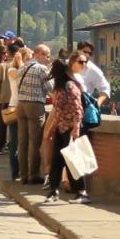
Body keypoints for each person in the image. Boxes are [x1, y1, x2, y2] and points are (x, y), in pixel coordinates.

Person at [43, 58, 92, 204]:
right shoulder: (59, 88)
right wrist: (51, 129)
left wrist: (76, 128)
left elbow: (78, 109)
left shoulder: (70, 86)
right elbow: (58, 110)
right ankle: (53, 190)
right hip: (61, 127)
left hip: (71, 128)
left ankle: (82, 192)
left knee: (73, 161)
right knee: (56, 160)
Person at [16, 44, 52, 185]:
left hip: (21, 105)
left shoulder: (23, 67)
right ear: (39, 54)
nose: (48, 59)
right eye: (47, 55)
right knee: (35, 141)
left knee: (22, 142)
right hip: (35, 106)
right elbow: (52, 89)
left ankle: (23, 175)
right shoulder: (41, 69)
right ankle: (33, 175)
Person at [5, 47, 29, 181]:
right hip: (15, 107)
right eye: (28, 58)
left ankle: (24, 170)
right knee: (15, 140)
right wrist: (20, 63)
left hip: (25, 106)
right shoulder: (12, 70)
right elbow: (22, 79)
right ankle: (15, 172)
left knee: (25, 140)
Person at [75, 41, 112, 109]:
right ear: (78, 51)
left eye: (90, 53)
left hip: (83, 108)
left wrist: (97, 105)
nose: (87, 55)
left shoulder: (93, 70)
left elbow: (105, 88)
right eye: (85, 52)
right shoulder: (66, 65)